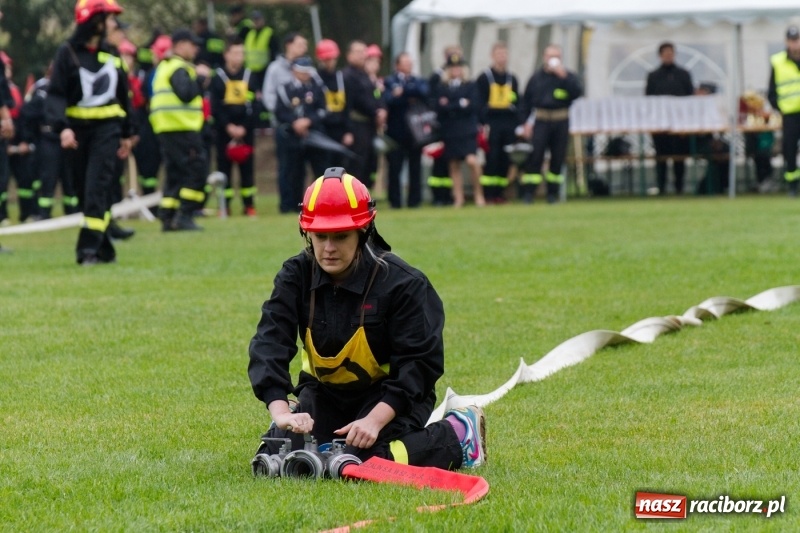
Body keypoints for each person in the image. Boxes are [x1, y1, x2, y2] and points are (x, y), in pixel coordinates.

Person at [248, 167, 487, 472]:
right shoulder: (295, 276)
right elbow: (270, 341)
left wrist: (374, 420)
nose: (329, 248)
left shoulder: (404, 283)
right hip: (323, 393)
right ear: (306, 233)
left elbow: (420, 363)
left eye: (341, 236)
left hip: (390, 397)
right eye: (320, 236)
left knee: (359, 463)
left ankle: (458, 434)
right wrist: (281, 413)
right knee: (279, 455)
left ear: (364, 231)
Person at [46, 0, 133, 265]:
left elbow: (123, 96)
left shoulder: (112, 53)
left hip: (107, 131)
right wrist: (62, 129)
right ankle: (105, 247)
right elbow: (56, 94)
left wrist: (128, 134)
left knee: (97, 186)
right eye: (108, 19)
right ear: (94, 22)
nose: (112, 25)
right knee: (84, 192)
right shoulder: (67, 53)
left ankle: (87, 250)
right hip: (77, 134)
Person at [149, 28, 210, 231]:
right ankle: (185, 215)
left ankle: (167, 217)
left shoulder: (165, 66)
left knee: (174, 174)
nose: (196, 49)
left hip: (167, 128)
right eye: (192, 44)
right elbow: (186, 93)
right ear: (181, 45)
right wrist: (200, 78)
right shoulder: (178, 67)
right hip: (181, 128)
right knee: (197, 170)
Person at [519, 44, 583, 204]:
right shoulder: (536, 78)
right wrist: (525, 124)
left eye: (556, 56)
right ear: (544, 58)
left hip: (560, 120)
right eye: (550, 56)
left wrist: (564, 77)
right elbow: (526, 102)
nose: (553, 60)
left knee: (558, 157)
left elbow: (577, 93)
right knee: (536, 156)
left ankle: (552, 194)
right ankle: (529, 193)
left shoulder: (567, 76)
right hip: (541, 121)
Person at [209, 37, 258, 216]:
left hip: (246, 132)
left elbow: (255, 105)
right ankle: (225, 206)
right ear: (226, 54)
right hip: (224, 132)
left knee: (248, 170)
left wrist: (244, 127)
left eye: (241, 53)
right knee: (224, 169)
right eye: (235, 53)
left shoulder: (249, 76)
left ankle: (249, 205)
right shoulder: (218, 77)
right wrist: (228, 126)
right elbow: (215, 107)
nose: (239, 57)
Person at [272, 56, 327, 213]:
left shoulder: (317, 88)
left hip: (312, 135)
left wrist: (308, 121)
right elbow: (279, 111)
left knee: (316, 170)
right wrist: (295, 123)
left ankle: (316, 204)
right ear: (294, 71)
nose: (305, 75)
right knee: (290, 171)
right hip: (290, 136)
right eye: (302, 71)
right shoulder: (285, 88)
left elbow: (323, 110)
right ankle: (288, 205)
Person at [432, 52, 484, 208]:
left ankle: (479, 195)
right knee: (454, 164)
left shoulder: (470, 85)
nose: (456, 70)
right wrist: (459, 103)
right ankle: (458, 198)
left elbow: (473, 105)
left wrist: (451, 105)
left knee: (471, 161)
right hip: (450, 130)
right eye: (452, 67)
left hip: (467, 129)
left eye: (458, 67)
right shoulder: (443, 87)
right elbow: (440, 107)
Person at [645, 42, 694, 196]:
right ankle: (662, 187)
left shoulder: (683, 74)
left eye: (670, 53)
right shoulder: (653, 76)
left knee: (679, 156)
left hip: (680, 123)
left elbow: (690, 97)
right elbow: (648, 99)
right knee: (661, 156)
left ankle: (679, 187)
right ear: (660, 55)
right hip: (659, 123)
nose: (668, 56)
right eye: (665, 53)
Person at [383, 52, 428, 208]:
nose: (409, 65)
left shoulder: (417, 80)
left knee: (415, 168)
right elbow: (389, 99)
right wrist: (407, 95)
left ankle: (414, 201)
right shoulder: (389, 81)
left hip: (415, 133)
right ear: (398, 65)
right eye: (405, 62)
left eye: (410, 62)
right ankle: (395, 202)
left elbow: (423, 92)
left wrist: (403, 92)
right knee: (395, 168)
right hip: (396, 132)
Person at [476, 42, 519, 204]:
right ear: (492, 56)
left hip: (508, 124)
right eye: (499, 54)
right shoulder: (484, 78)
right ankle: (488, 193)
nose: (502, 57)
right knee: (491, 158)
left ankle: (500, 193)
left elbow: (517, 102)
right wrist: (482, 123)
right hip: (491, 124)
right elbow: (479, 103)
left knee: (505, 159)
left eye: (504, 54)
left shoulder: (512, 78)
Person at [342, 41, 386, 189]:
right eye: (358, 52)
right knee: (357, 163)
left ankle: (364, 195)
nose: (363, 55)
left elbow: (375, 95)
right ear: (349, 55)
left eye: (364, 52)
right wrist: (347, 130)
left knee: (369, 163)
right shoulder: (347, 76)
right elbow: (351, 103)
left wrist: (380, 110)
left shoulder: (366, 76)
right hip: (356, 125)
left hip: (369, 125)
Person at [426, 45, 462, 206]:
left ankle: (448, 195)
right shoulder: (438, 76)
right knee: (439, 162)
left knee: (451, 162)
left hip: (456, 128)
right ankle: (437, 196)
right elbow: (433, 98)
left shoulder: (462, 77)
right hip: (440, 125)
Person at [768, 25, 800, 197]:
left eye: (798, 40)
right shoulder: (778, 61)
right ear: (787, 42)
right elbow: (771, 91)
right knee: (789, 149)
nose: (796, 44)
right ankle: (792, 185)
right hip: (790, 114)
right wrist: (779, 108)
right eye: (793, 40)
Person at [313, 38, 353, 168]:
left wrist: (348, 131)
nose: (329, 62)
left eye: (332, 59)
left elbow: (348, 107)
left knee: (341, 166)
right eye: (326, 59)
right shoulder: (315, 79)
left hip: (340, 130)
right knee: (323, 167)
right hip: (322, 130)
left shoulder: (342, 78)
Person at [262, 32, 308, 120]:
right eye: (300, 44)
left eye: (305, 45)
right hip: (282, 119)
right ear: (289, 45)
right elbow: (268, 95)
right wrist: (279, 111)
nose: (304, 48)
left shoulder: (308, 69)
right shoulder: (274, 68)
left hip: (306, 119)